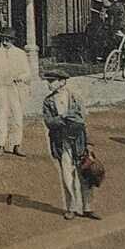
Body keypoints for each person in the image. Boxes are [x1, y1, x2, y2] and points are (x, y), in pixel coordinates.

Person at [42, 69, 99, 220]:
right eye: (48, 81)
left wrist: (89, 143)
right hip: (61, 143)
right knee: (67, 176)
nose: (48, 84)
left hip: (79, 141)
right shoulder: (48, 101)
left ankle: (87, 207)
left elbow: (81, 119)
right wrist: (66, 117)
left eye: (51, 81)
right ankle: (71, 207)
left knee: (85, 174)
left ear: (62, 82)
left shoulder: (74, 97)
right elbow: (49, 122)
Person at [0, 28, 31, 157]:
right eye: (3, 39)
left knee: (17, 117)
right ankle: (0, 145)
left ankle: (17, 145)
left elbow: (28, 73)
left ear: (13, 40)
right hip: (0, 89)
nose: (5, 42)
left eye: (8, 40)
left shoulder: (20, 53)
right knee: (1, 117)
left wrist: (19, 77)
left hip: (16, 89)